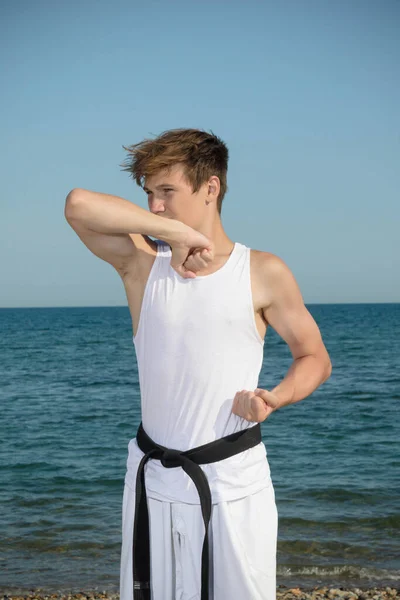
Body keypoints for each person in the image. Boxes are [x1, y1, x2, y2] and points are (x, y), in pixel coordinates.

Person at [64, 128, 332, 600]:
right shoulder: (144, 264)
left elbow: (314, 357)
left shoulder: (261, 271)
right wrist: (176, 233)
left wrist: (276, 397)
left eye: (167, 192)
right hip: (153, 480)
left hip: (231, 486)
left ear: (211, 187)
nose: (155, 207)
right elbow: (77, 205)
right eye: (149, 194)